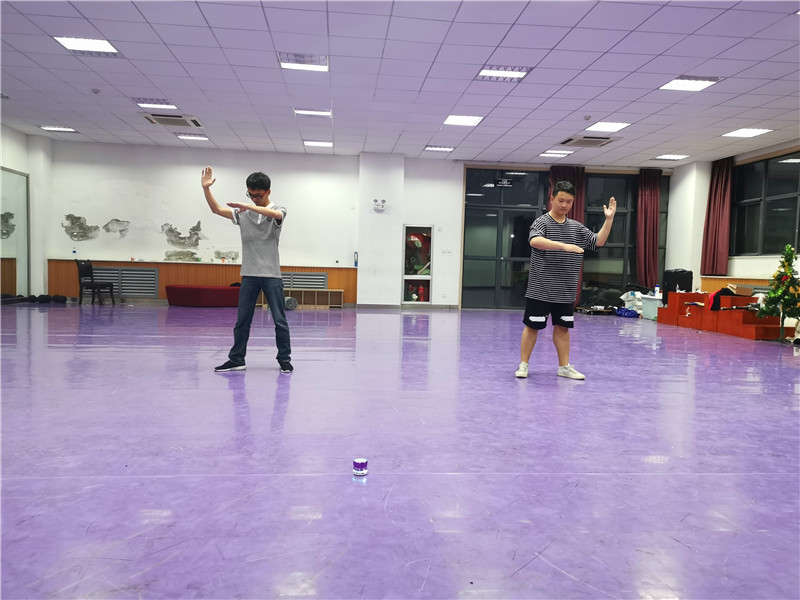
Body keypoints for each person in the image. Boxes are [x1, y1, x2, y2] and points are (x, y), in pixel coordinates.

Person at [515, 181, 616, 380]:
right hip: (540, 289)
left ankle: (564, 367)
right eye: (561, 200)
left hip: (565, 291)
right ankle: (523, 365)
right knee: (532, 327)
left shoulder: (576, 227)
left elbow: (598, 241)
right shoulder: (542, 222)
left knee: (562, 328)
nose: (564, 205)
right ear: (552, 199)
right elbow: (535, 241)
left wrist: (609, 220)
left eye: (569, 202)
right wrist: (564, 246)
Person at [201, 166, 292, 373]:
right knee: (242, 320)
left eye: (258, 196)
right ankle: (236, 359)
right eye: (250, 195)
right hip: (249, 275)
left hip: (272, 276)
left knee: (280, 320)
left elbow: (275, 214)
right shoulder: (243, 213)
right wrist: (206, 189)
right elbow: (216, 209)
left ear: (268, 192)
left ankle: (284, 359)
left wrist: (249, 206)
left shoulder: (278, 210)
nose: (254, 199)